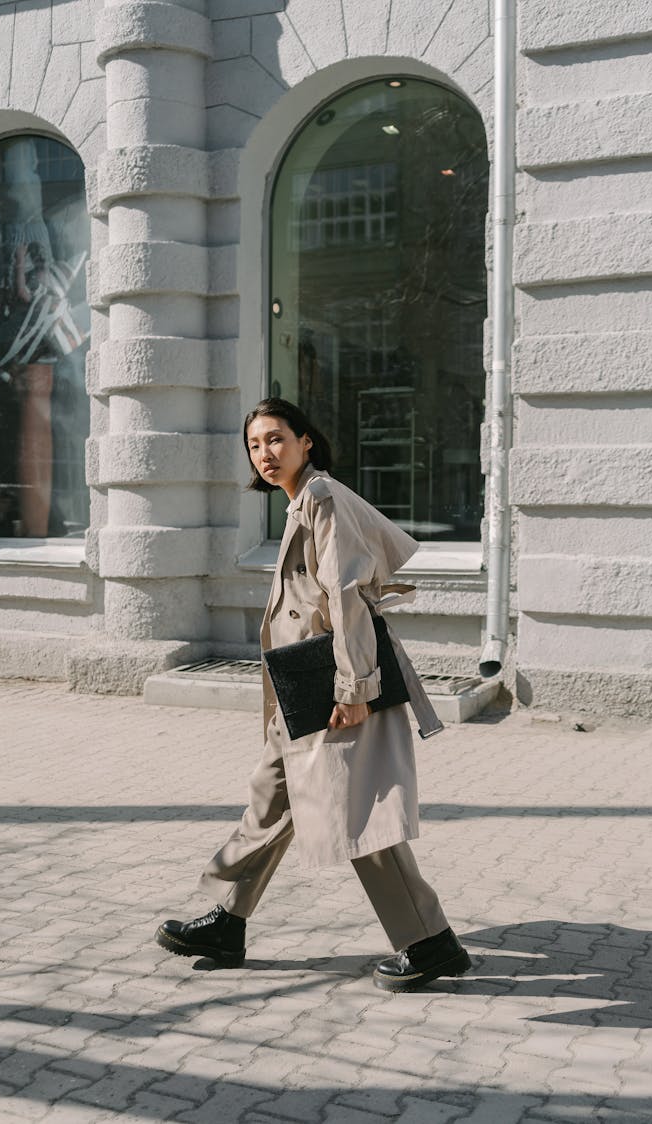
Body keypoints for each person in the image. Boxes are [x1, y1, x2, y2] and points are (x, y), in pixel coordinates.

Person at [155, 397, 471, 992]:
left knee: (352, 814)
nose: (265, 454)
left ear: (306, 441)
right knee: (271, 799)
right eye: (254, 444)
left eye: (276, 439)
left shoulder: (322, 499)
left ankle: (430, 943)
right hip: (302, 688)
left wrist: (355, 688)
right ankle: (226, 920)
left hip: (333, 688)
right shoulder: (303, 502)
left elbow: (347, 595)